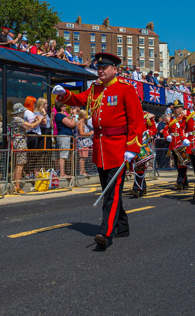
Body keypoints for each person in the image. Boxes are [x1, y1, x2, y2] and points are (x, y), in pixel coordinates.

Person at [52, 52, 145, 250]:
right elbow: (78, 99)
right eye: (98, 67)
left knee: (111, 193)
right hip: (101, 146)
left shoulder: (125, 89)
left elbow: (137, 120)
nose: (100, 70)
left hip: (119, 147)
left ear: (115, 69)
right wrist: (63, 94)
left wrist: (132, 147)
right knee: (108, 190)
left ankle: (106, 232)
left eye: (104, 67)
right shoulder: (95, 89)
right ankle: (122, 226)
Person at [11, 103, 41, 193]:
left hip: (19, 142)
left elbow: (28, 126)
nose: (24, 113)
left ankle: (15, 185)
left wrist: (34, 121)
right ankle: (17, 186)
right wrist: (39, 120)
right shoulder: (17, 119)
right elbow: (31, 126)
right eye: (23, 111)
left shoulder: (16, 119)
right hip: (20, 143)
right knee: (20, 164)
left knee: (19, 164)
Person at [164, 100, 190, 189]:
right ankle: (185, 182)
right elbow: (165, 130)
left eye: (178, 108)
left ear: (181, 108)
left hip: (181, 143)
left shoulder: (185, 118)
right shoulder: (171, 119)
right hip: (173, 144)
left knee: (182, 163)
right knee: (177, 164)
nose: (176, 110)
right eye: (174, 108)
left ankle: (180, 182)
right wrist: (167, 136)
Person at [131, 112, 157, 197]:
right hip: (132, 143)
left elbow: (153, 130)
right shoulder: (129, 114)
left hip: (142, 144)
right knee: (136, 166)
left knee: (140, 165)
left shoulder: (146, 115)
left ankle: (137, 188)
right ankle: (142, 188)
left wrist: (146, 133)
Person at [54, 101, 76, 179]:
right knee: (63, 155)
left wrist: (70, 114)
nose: (65, 107)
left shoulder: (61, 115)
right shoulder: (60, 115)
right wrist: (74, 116)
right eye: (64, 106)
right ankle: (62, 173)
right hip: (64, 136)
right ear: (61, 107)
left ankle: (62, 172)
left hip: (63, 135)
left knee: (63, 154)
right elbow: (71, 124)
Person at [75, 109, 93, 176]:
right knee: (82, 157)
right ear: (83, 115)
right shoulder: (80, 123)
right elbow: (81, 133)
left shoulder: (83, 122)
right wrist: (90, 133)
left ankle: (83, 170)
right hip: (82, 142)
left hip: (85, 142)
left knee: (84, 157)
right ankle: (82, 171)